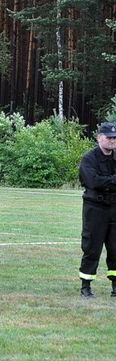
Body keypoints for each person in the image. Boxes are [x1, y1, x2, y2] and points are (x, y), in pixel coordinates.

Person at [78, 122, 116, 298]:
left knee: (115, 248)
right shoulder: (89, 158)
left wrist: (105, 181)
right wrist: (111, 181)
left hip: (114, 207)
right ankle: (86, 286)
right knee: (92, 247)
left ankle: (115, 287)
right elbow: (92, 182)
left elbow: (100, 181)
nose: (112, 141)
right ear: (99, 137)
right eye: (109, 137)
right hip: (95, 208)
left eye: (114, 138)